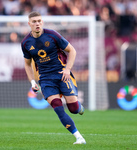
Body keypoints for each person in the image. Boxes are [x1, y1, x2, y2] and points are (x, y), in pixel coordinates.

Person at [21, 11, 86, 145]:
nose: (37, 24)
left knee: (73, 109)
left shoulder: (52, 35)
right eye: (34, 22)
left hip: (61, 74)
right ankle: (79, 137)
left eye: (39, 21)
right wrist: (33, 81)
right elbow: (27, 65)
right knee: (57, 107)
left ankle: (79, 107)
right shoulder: (26, 43)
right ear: (29, 24)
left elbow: (72, 50)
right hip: (45, 79)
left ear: (42, 22)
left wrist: (67, 69)